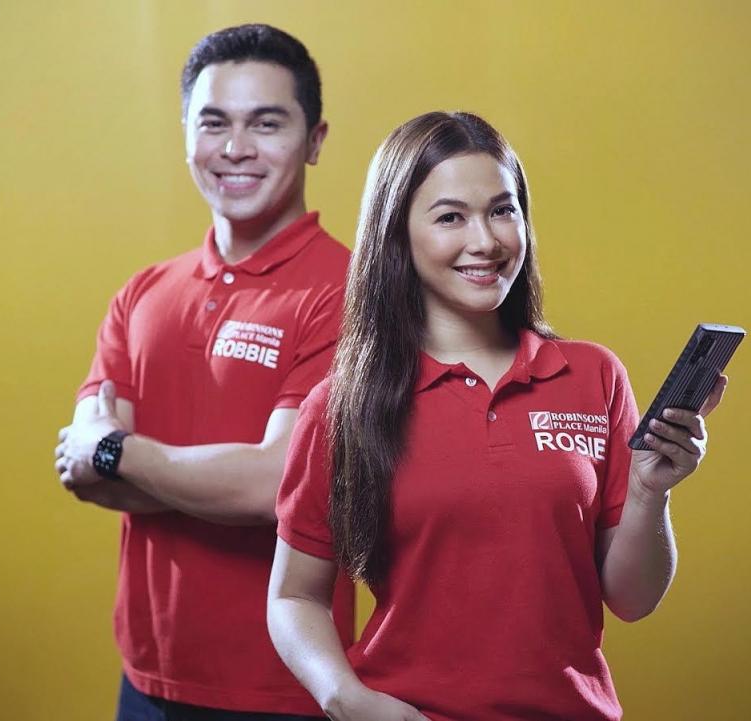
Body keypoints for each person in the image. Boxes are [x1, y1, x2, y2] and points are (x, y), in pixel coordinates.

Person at [267, 111, 727, 721]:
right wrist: (344, 697)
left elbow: (632, 600)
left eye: (502, 211)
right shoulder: (341, 406)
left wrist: (650, 493)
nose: (485, 241)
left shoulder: (593, 375)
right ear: (396, 234)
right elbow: (295, 596)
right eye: (450, 217)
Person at [54, 24, 354, 720]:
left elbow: (275, 485)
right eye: (213, 122)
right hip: (146, 678)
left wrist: (119, 452)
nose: (235, 148)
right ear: (186, 135)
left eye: (266, 123)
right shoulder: (143, 293)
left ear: (314, 140)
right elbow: (84, 474)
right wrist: (155, 468)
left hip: (283, 685)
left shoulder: (348, 291)